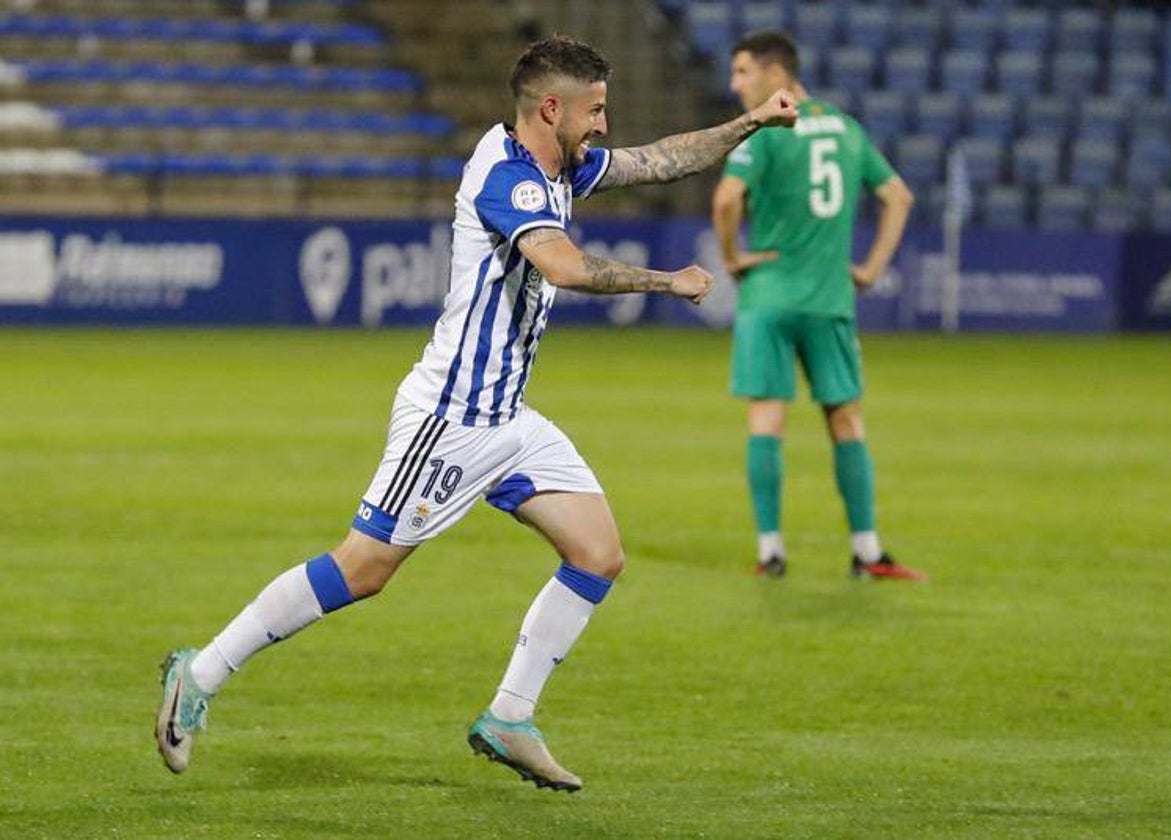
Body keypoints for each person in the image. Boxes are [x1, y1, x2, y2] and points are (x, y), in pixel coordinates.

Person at [156, 34, 798, 792]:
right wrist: (669, 282)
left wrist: (751, 121)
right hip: (452, 416)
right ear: (550, 108)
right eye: (593, 109)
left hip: (509, 419)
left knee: (597, 554)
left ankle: (509, 717)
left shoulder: (562, 165)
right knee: (363, 571)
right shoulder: (506, 174)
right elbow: (560, 265)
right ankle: (202, 670)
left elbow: (660, 159)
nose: (603, 123)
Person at [711, 30, 925, 582]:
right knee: (846, 420)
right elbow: (898, 196)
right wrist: (873, 268)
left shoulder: (765, 132)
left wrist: (734, 258)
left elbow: (727, 199)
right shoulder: (848, 128)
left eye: (743, 72)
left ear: (775, 74)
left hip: (768, 296)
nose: (735, 84)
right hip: (830, 298)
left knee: (766, 419)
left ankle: (771, 552)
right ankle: (868, 551)